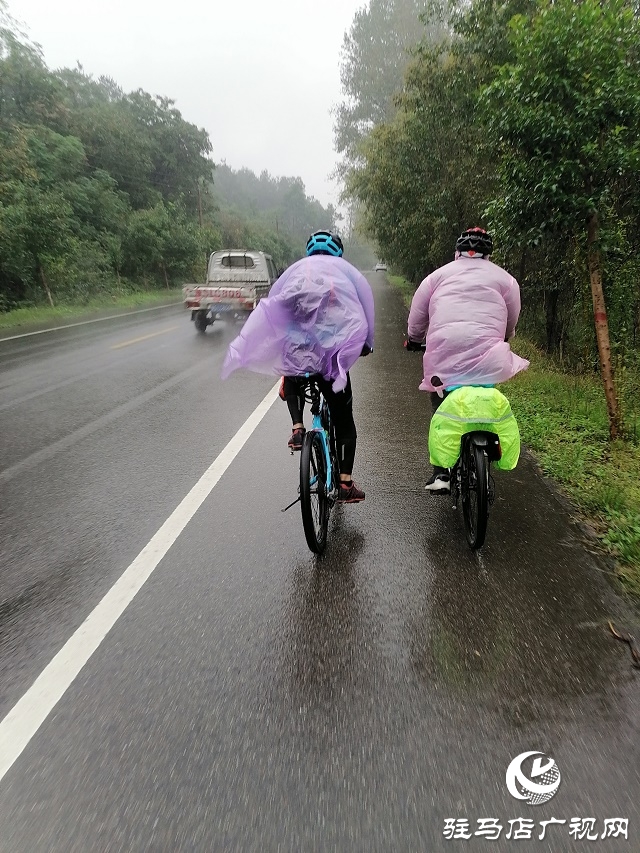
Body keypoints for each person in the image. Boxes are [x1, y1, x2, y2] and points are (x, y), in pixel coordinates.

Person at [222, 230, 375, 503]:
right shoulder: (346, 274)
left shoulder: (294, 272)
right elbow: (365, 310)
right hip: (330, 359)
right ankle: (345, 485)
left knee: (291, 369)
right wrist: (366, 343)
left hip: (299, 355)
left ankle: (297, 428)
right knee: (343, 419)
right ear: (338, 253)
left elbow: (274, 303)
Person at [405, 227, 529, 493]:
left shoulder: (436, 277)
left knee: (439, 400)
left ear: (457, 254)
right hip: (490, 357)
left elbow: (417, 315)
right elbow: (511, 318)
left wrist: (414, 339)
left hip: (444, 355)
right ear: (488, 255)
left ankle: (441, 473)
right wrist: (505, 337)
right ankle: (485, 444)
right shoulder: (506, 281)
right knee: (483, 391)